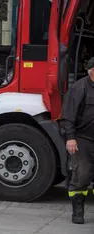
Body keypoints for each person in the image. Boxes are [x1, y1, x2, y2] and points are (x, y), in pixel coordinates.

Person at [60, 56, 94, 224]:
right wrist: (71, 138)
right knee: (82, 175)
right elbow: (67, 116)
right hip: (83, 139)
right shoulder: (79, 88)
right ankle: (78, 211)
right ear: (92, 70)